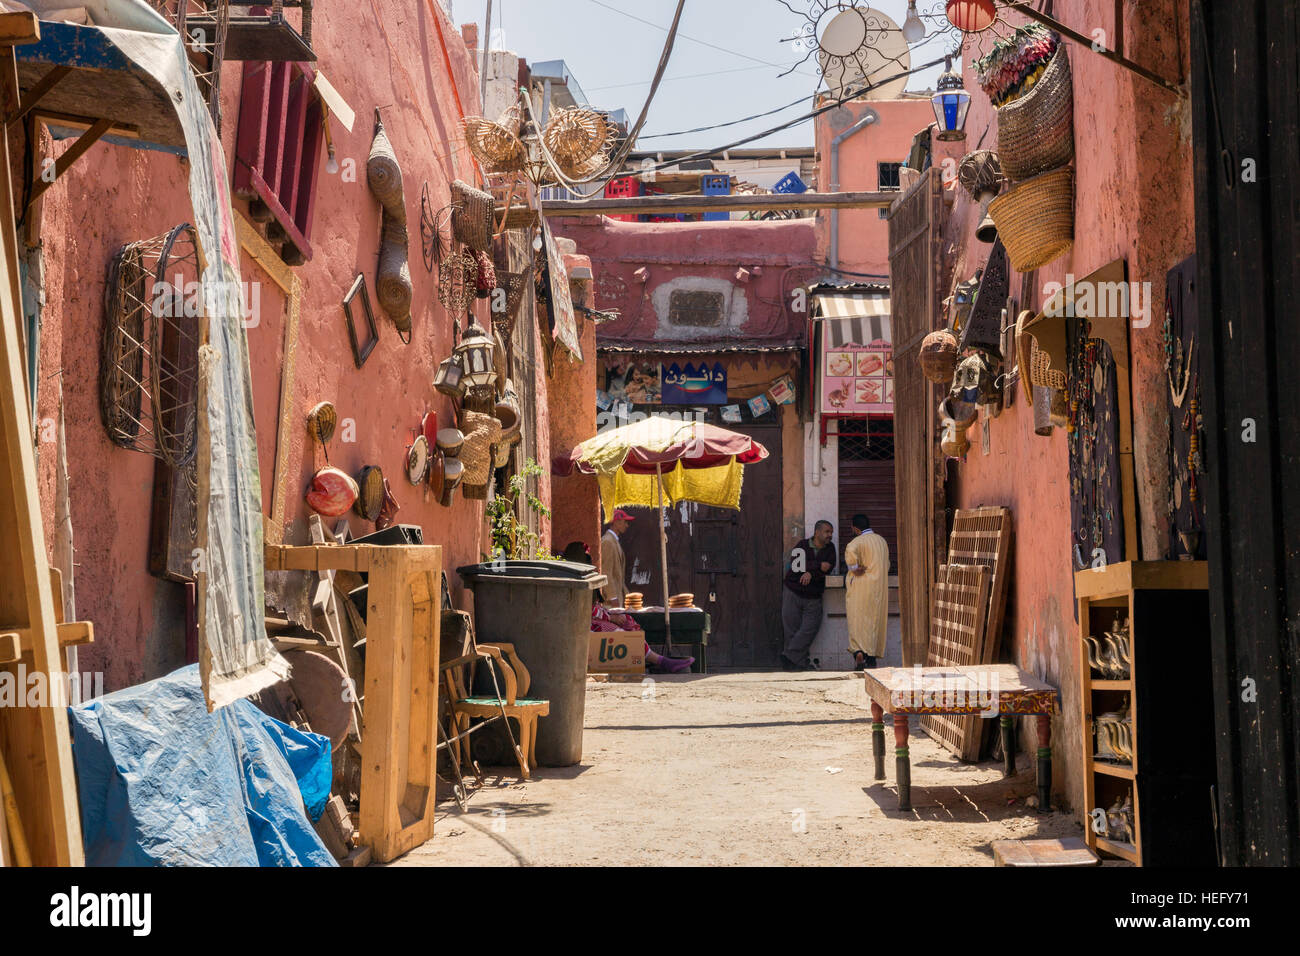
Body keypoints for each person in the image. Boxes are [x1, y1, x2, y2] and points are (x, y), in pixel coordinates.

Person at [563, 541, 694, 674]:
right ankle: (661, 662)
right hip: (582, 625)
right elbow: (586, 609)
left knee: (627, 623)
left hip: (588, 621)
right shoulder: (574, 581)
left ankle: (655, 660)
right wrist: (610, 617)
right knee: (620, 633)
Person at [781, 520, 838, 671]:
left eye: (831, 532)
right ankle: (798, 664)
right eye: (827, 532)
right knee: (791, 629)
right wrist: (817, 566)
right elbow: (795, 565)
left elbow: (829, 566)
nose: (830, 535)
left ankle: (788, 657)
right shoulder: (802, 546)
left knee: (809, 629)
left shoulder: (830, 549)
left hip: (813, 596)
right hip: (793, 591)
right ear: (817, 532)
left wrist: (809, 571)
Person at [844, 513, 890, 671]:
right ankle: (871, 658)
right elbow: (887, 564)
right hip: (879, 589)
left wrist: (854, 568)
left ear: (855, 528)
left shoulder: (856, 542)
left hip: (860, 587)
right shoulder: (882, 541)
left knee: (858, 620)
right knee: (875, 621)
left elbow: (851, 557)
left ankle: (859, 652)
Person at [599, 509, 635, 608]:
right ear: (616, 522)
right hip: (610, 604)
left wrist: (628, 599)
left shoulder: (613, 541)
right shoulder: (608, 542)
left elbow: (619, 578)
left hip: (617, 601)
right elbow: (606, 572)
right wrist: (613, 598)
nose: (627, 525)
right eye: (625, 522)